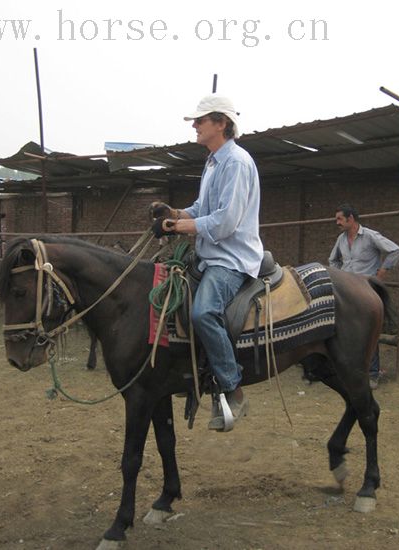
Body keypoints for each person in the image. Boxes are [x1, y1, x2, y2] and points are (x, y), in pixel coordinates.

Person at [150, 94, 264, 430]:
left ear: (221, 123)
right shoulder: (213, 161)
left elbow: (225, 222)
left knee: (202, 311)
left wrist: (176, 227)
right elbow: (202, 209)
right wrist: (174, 213)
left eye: (201, 120)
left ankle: (232, 387)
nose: (195, 126)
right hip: (209, 253)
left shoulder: (237, 163)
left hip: (231, 259)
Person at [328, 203, 399, 389]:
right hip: (346, 291)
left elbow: (395, 250)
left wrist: (381, 272)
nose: (337, 222)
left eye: (339, 219)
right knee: (343, 329)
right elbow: (332, 260)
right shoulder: (341, 239)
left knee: (368, 331)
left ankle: (373, 374)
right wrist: (339, 276)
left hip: (366, 290)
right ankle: (348, 370)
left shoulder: (370, 236)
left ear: (350, 219)